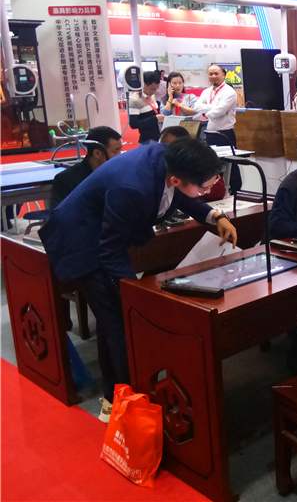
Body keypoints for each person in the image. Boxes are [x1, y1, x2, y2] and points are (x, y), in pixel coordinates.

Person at [39, 139, 237, 421]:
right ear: (176, 178)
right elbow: (109, 251)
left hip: (105, 235)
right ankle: (129, 406)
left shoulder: (171, 161)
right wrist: (136, 293)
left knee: (111, 321)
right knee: (120, 322)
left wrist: (214, 215)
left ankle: (113, 398)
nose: (206, 192)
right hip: (80, 241)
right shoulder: (132, 185)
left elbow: (181, 194)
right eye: (205, 188)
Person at [50, 126, 122, 210]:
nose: (120, 155)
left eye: (120, 150)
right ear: (97, 153)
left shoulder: (120, 175)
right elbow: (58, 215)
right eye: (115, 151)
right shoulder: (66, 180)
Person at [194, 64, 241, 192]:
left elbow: (217, 112)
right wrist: (212, 108)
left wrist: (206, 110)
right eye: (211, 74)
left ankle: (234, 191)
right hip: (209, 134)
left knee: (230, 166)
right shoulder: (206, 91)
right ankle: (215, 192)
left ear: (223, 75)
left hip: (224, 134)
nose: (213, 76)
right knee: (212, 166)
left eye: (216, 73)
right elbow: (196, 107)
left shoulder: (229, 92)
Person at [129, 70, 164, 145]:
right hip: (147, 140)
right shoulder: (135, 100)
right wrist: (155, 119)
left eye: (156, 89)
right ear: (144, 84)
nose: (154, 91)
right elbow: (133, 124)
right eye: (152, 89)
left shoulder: (151, 96)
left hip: (158, 137)